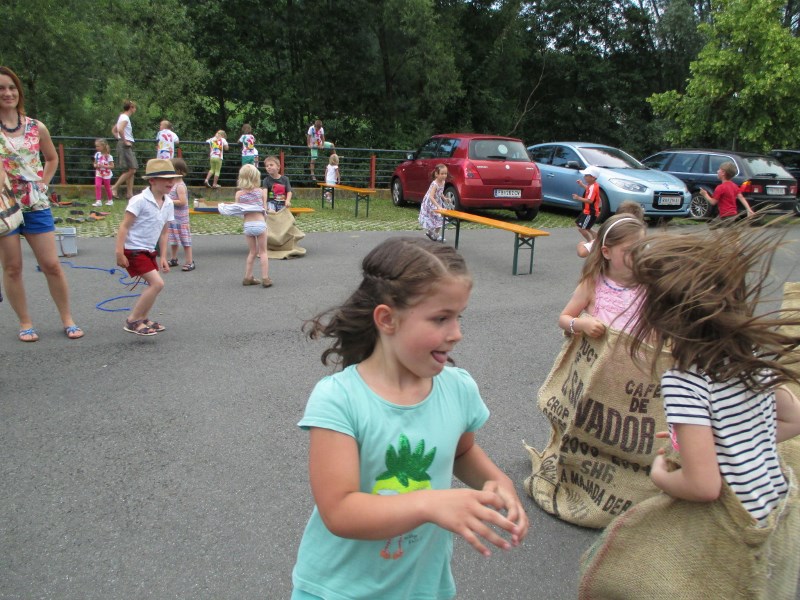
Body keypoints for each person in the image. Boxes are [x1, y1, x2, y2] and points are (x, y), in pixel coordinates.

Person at [291, 236, 529, 599]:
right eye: (440, 318)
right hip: (337, 589)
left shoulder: (458, 388)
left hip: (423, 587)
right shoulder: (339, 399)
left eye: (458, 316)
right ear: (387, 319)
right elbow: (339, 511)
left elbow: (462, 454)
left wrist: (497, 482)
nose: (457, 334)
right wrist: (430, 503)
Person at [626, 224, 800, 523]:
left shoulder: (684, 382)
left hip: (732, 529)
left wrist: (659, 476)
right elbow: (793, 419)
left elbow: (704, 486)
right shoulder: (747, 357)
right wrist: (729, 445)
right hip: (777, 517)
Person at [0, 65, 84, 342]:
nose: (8, 93)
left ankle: (67, 318)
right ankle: (25, 322)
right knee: (12, 268)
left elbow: (51, 158)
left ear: (19, 92)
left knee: (51, 264)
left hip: (36, 204)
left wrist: (43, 183)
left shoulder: (36, 127)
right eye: (1, 88)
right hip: (5, 207)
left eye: (12, 87)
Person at [114, 158, 178, 336]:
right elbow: (124, 226)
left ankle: (142, 317)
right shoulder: (139, 200)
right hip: (133, 249)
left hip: (149, 250)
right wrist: (119, 252)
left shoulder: (169, 203)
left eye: (172, 179)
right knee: (157, 284)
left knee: (154, 284)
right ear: (152, 181)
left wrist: (163, 256)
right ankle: (133, 320)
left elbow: (165, 232)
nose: (171, 182)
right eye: (166, 179)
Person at [559, 213, 646, 337]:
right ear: (606, 252)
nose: (637, 255)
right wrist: (583, 324)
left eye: (641, 248)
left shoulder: (646, 283)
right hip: (602, 354)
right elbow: (564, 318)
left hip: (637, 354)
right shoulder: (592, 284)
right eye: (629, 250)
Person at [230, 163, 271, 287]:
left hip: (248, 225)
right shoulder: (260, 192)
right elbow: (264, 208)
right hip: (260, 223)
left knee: (252, 252)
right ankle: (265, 278)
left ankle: (248, 277)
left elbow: (238, 210)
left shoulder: (239, 194)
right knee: (263, 252)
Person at [576, 200, 644, 258]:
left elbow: (582, 253)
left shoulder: (609, 238)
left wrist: (582, 244)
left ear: (615, 218)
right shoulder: (643, 242)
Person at [699, 161, 754, 226]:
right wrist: (749, 209)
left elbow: (713, 202)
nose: (717, 171)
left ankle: (726, 236)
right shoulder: (734, 186)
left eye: (719, 170)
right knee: (715, 227)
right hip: (733, 214)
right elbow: (741, 197)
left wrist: (705, 194)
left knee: (713, 227)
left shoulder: (720, 188)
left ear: (723, 173)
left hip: (725, 215)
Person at [166, 158, 194, 271]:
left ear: (177, 171)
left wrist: (169, 201)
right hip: (172, 218)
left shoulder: (180, 186)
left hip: (181, 219)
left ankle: (189, 261)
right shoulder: (172, 184)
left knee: (185, 241)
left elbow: (183, 202)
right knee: (173, 239)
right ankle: (173, 258)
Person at [110, 99, 138, 200]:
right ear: (131, 108)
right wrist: (124, 141)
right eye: (134, 107)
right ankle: (114, 187)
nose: (135, 109)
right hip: (125, 145)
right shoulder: (125, 118)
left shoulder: (121, 117)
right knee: (132, 169)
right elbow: (120, 129)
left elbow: (114, 130)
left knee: (130, 169)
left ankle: (129, 194)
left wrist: (118, 138)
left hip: (124, 144)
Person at [418, 163, 448, 242]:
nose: (444, 175)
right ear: (436, 174)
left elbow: (440, 192)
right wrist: (438, 206)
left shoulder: (443, 182)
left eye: (445, 174)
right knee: (434, 218)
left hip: (437, 202)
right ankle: (433, 233)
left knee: (440, 219)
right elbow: (431, 196)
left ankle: (434, 234)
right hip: (430, 203)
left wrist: (444, 198)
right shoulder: (434, 184)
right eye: (442, 174)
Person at [572, 166, 602, 243]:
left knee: (581, 228)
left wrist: (578, 198)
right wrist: (582, 185)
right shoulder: (592, 185)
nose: (584, 177)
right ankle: (599, 239)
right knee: (585, 228)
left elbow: (590, 201)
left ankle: (590, 242)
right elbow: (589, 190)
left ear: (593, 177)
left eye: (586, 176)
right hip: (587, 211)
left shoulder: (593, 187)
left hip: (590, 212)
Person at [92, 138, 114, 207]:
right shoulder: (97, 154)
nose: (97, 148)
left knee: (107, 187)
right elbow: (95, 163)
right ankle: (98, 201)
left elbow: (112, 166)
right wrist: (96, 166)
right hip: (99, 173)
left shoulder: (109, 156)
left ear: (103, 146)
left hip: (106, 174)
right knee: (98, 185)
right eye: (96, 146)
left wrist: (104, 166)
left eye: (98, 146)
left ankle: (110, 200)